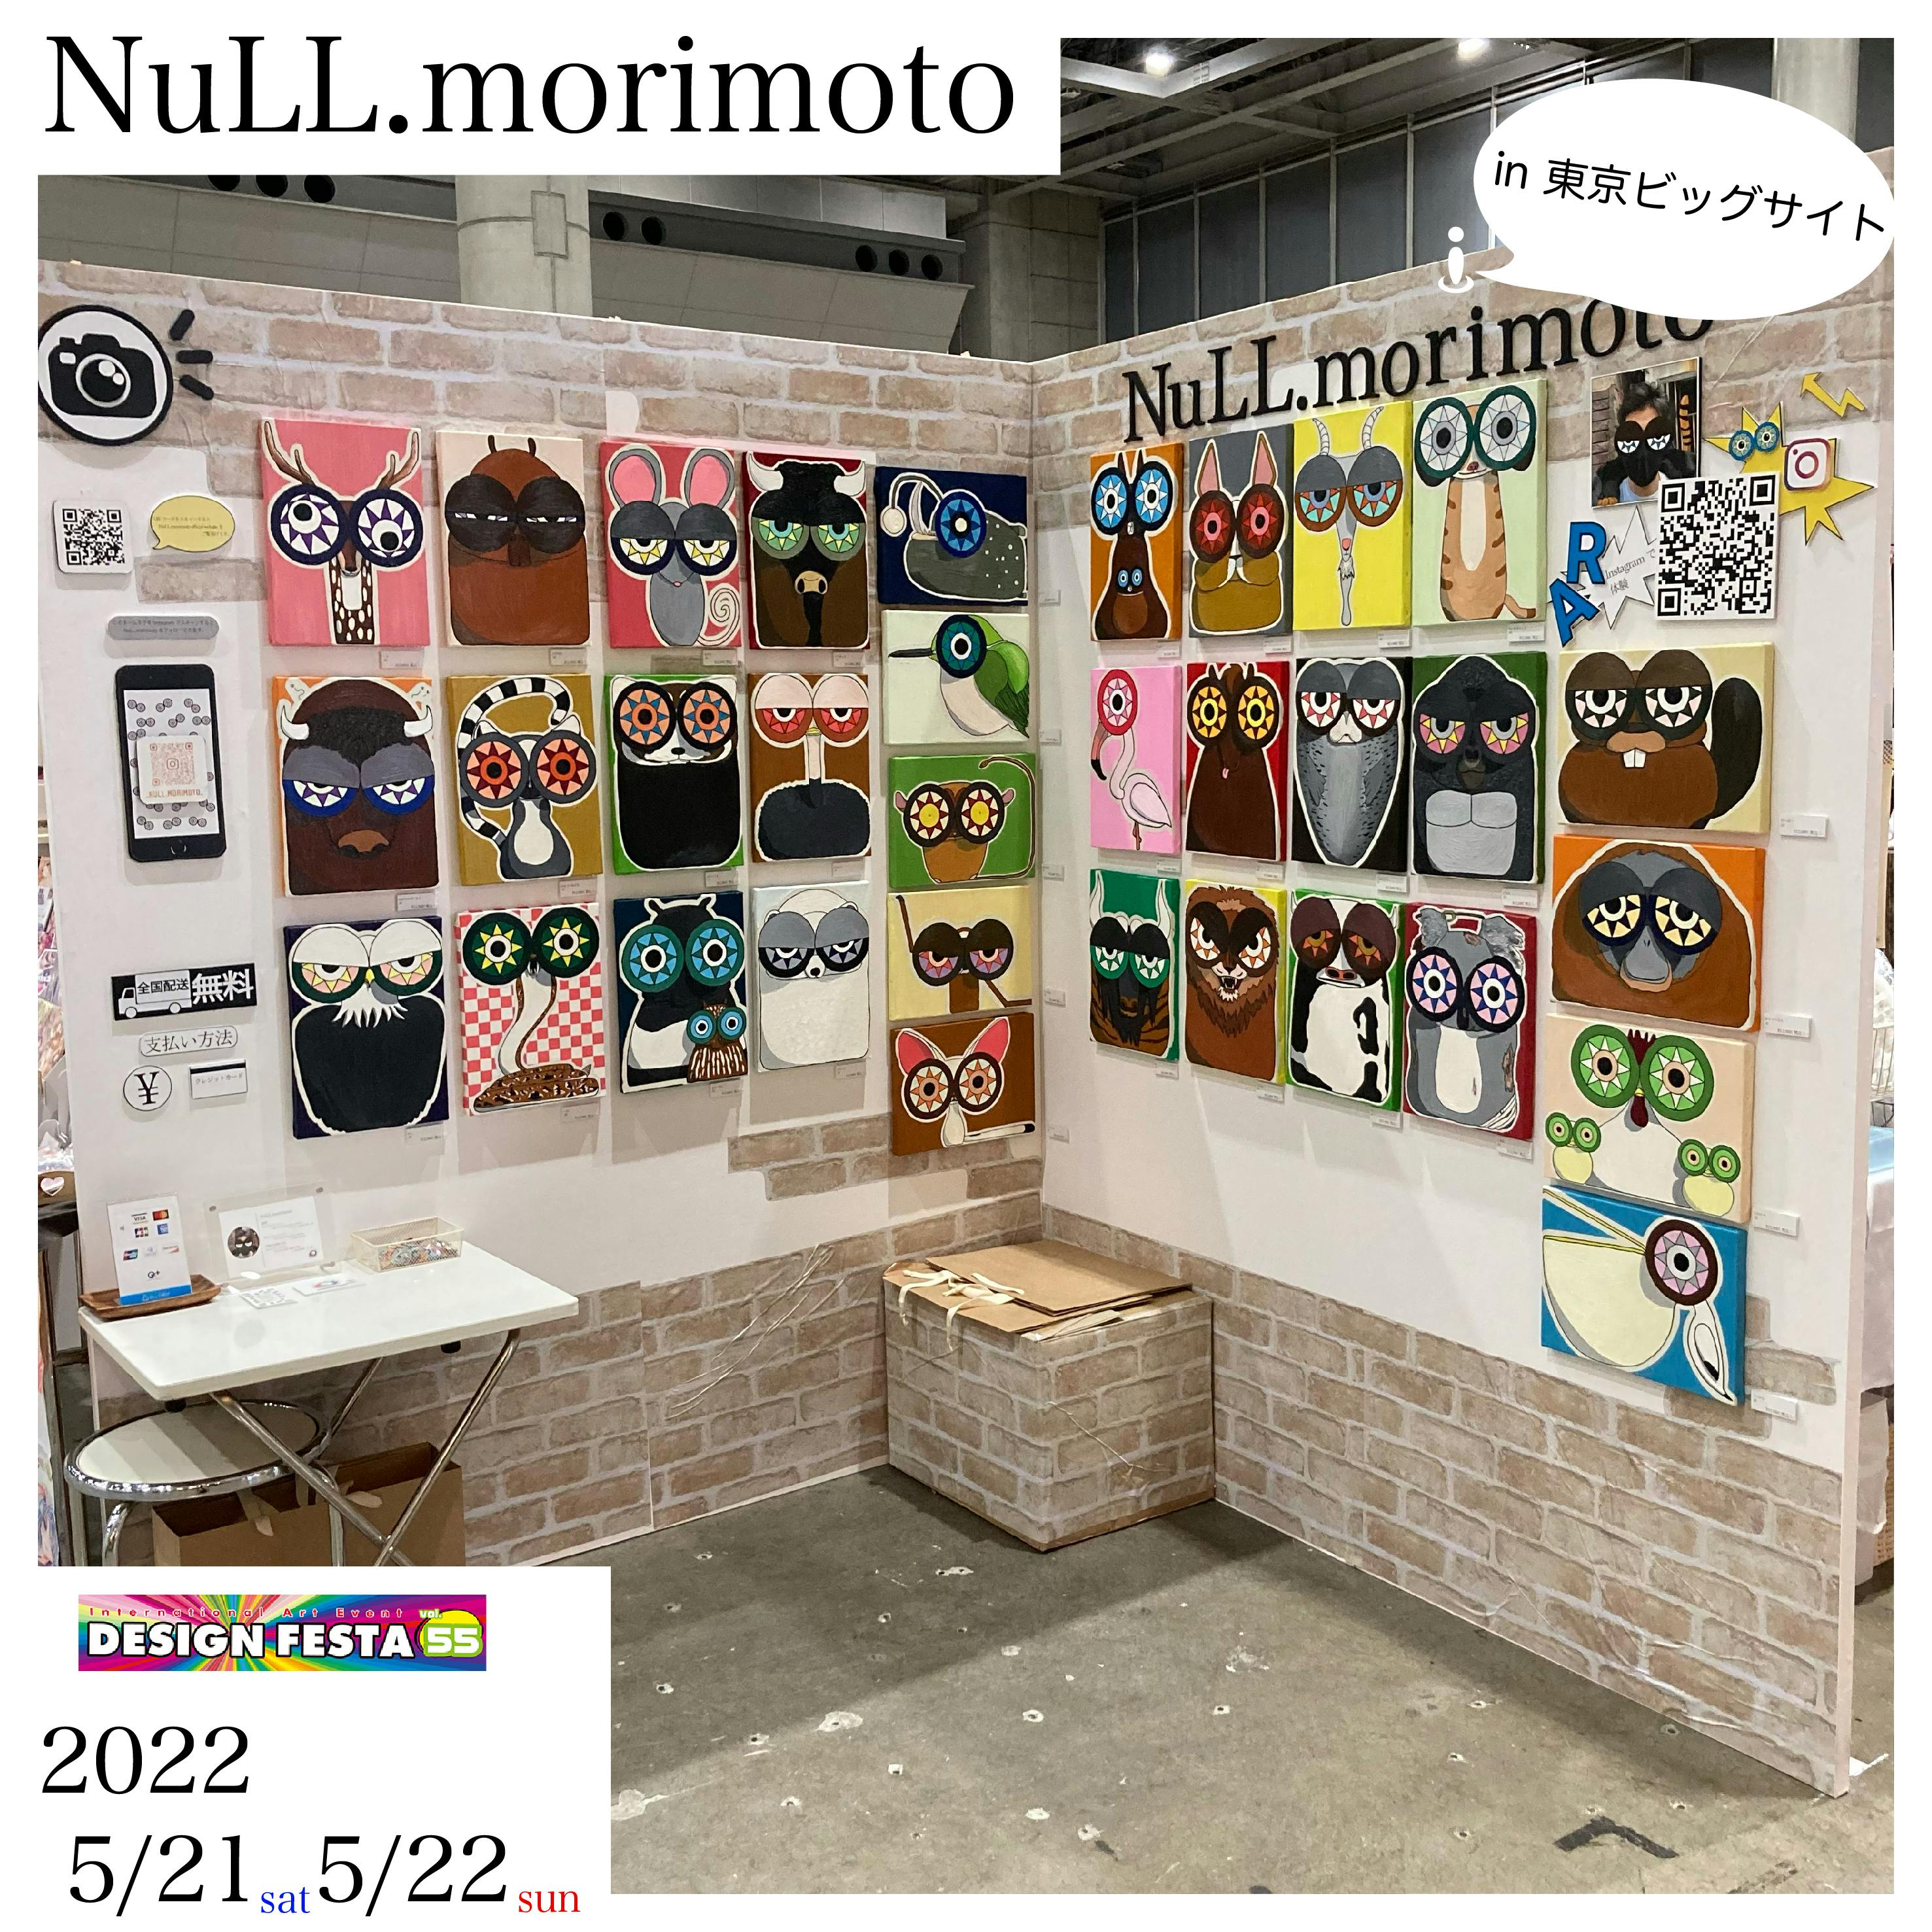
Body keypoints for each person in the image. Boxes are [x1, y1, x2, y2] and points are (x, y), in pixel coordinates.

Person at [1594, 378, 1693, 504]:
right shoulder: (1600, 494)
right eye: (1632, 434)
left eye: (1652, 434)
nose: (1642, 447)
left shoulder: (1688, 491)